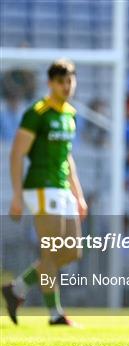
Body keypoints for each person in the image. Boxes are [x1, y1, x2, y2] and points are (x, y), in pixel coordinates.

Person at [2, 59, 87, 326]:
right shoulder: (36, 113)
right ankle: (55, 313)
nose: (66, 86)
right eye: (61, 81)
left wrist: (78, 193)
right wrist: (16, 195)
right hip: (40, 186)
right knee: (51, 252)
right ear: (50, 83)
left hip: (63, 189)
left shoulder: (69, 114)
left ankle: (16, 288)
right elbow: (17, 154)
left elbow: (67, 157)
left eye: (69, 81)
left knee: (73, 251)